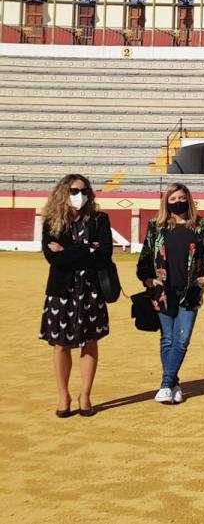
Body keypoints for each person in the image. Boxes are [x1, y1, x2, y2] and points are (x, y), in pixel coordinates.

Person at [136, 183, 204, 404]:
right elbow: (144, 258)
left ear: (189, 199)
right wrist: (147, 279)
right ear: (166, 202)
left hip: (190, 290)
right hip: (163, 291)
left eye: (181, 198)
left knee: (181, 340)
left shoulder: (202, 226)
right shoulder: (156, 226)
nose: (177, 202)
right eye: (172, 199)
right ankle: (173, 384)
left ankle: (165, 384)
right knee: (167, 339)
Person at [40, 174, 112, 418]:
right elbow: (53, 259)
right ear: (63, 192)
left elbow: (104, 255)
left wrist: (68, 251)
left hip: (91, 290)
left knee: (90, 343)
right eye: (73, 190)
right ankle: (63, 395)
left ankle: (85, 394)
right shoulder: (52, 222)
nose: (79, 195)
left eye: (84, 190)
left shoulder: (100, 219)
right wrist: (87, 249)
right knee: (61, 345)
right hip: (62, 292)